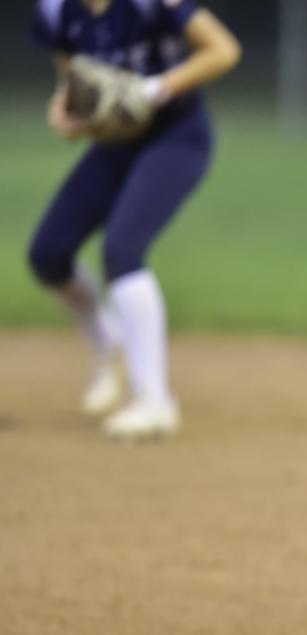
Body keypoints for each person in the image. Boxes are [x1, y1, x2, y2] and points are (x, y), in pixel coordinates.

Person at [27, 0, 241, 439]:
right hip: (116, 146)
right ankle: (108, 342)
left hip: (176, 139)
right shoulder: (54, 11)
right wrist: (67, 111)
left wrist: (155, 88)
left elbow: (223, 49)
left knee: (122, 250)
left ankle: (155, 401)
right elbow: (76, 82)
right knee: (48, 254)